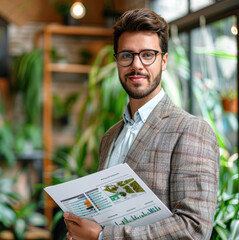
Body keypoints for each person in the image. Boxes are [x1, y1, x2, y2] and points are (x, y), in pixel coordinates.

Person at [63, 8, 220, 240]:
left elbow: (194, 229)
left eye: (148, 55)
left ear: (164, 60)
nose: (137, 65)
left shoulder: (192, 130)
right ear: (117, 61)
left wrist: (102, 237)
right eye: (127, 55)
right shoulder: (110, 136)